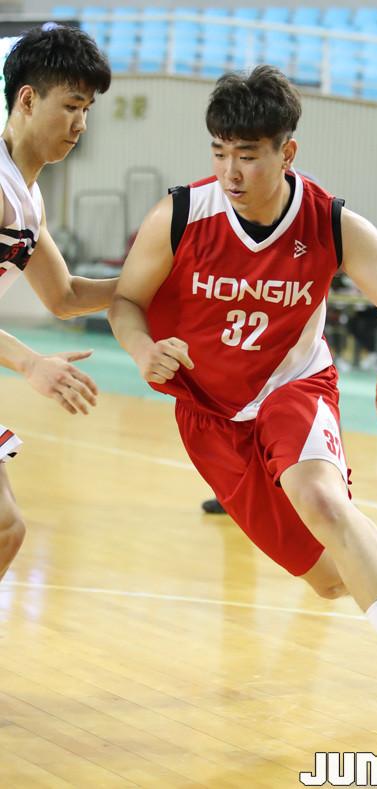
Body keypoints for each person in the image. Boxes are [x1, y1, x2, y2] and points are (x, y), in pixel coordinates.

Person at [108, 65, 377, 748]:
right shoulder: (180, 214)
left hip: (293, 388)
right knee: (329, 579)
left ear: (287, 152)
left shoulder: (333, 224)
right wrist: (141, 350)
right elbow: (124, 301)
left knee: (322, 500)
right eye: (219, 152)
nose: (231, 171)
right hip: (210, 413)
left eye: (248, 155)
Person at [0, 25, 115, 580]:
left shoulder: (28, 195)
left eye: (87, 109)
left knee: (6, 529)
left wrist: (161, 283)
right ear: (27, 99)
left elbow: (65, 296)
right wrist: (30, 363)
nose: (81, 124)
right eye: (71, 106)